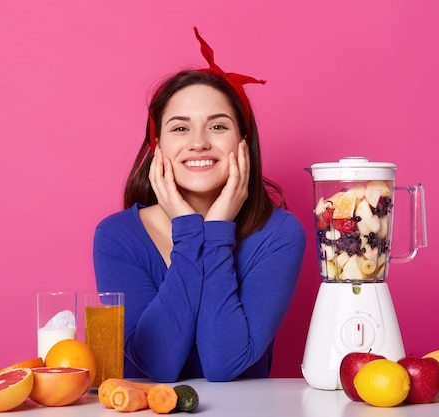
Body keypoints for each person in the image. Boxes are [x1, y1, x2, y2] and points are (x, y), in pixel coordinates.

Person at [93, 28, 306, 382]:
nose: (198, 143)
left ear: (243, 141)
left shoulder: (280, 234)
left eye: (218, 126)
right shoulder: (116, 236)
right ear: (156, 146)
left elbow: (225, 363)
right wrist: (190, 234)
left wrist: (217, 229)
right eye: (180, 129)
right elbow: (156, 366)